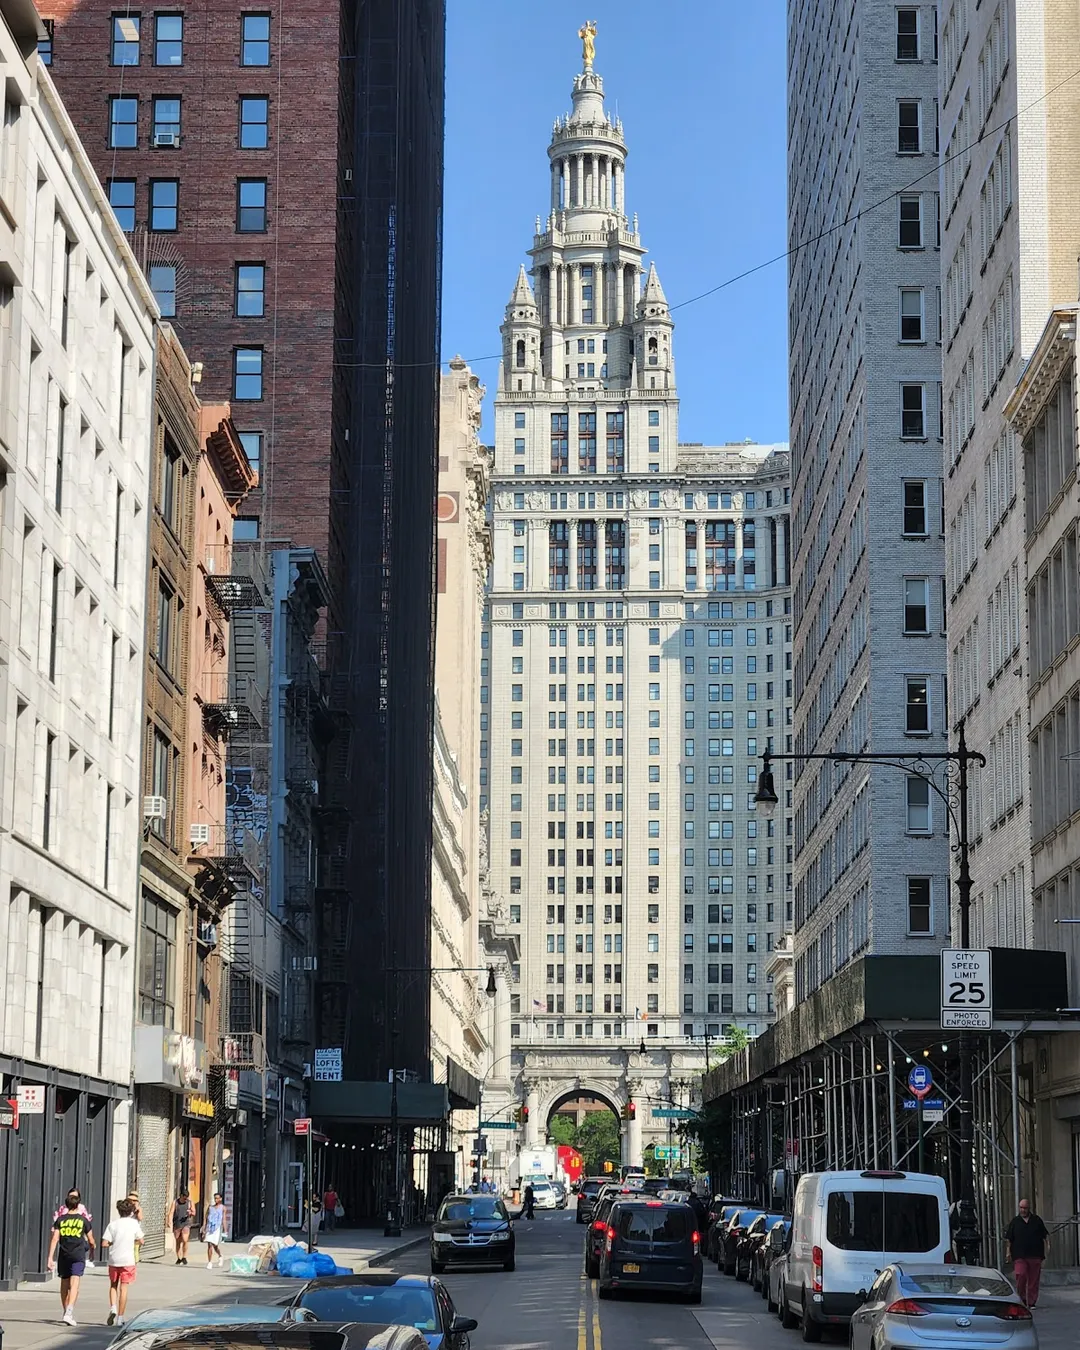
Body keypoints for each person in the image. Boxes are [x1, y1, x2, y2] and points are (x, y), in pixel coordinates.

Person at [47, 1190, 95, 1326]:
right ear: (78, 1204)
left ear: (66, 1205)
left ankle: (65, 1311)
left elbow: (55, 1238)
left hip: (64, 1255)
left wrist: (50, 1257)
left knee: (64, 1284)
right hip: (78, 1254)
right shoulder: (83, 1220)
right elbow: (91, 1240)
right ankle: (69, 1312)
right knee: (75, 1284)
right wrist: (92, 1251)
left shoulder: (60, 1220)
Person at [102, 1198, 144, 1327]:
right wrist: (132, 1242)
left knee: (113, 1285)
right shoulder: (134, 1224)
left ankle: (113, 1308)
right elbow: (141, 1240)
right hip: (128, 1260)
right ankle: (120, 1317)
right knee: (124, 1288)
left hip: (114, 1259)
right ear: (131, 1211)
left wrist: (114, 1242)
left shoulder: (113, 1224)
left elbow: (104, 1243)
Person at [1005, 1198, 1050, 1309]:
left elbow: (1045, 1234)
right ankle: (1021, 1298)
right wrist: (1008, 1253)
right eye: (1021, 1208)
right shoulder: (1015, 1222)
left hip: (1035, 1253)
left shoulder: (1036, 1220)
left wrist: (1048, 1245)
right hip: (1019, 1254)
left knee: (1033, 1280)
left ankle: (1031, 1301)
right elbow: (1009, 1239)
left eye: (1025, 1208)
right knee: (1021, 1274)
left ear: (1029, 1208)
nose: (1023, 1210)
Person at [202, 1191, 226, 1268]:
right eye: (215, 1198)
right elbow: (205, 1218)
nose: (216, 1200)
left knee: (215, 1245)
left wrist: (225, 1230)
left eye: (217, 1198)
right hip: (209, 1227)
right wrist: (204, 1227)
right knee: (209, 1244)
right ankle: (209, 1262)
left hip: (217, 1228)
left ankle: (220, 1255)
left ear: (221, 1199)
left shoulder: (223, 1208)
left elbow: (224, 1219)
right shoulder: (210, 1208)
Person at [170, 1191, 193, 1264]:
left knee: (185, 1240)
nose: (185, 1199)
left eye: (186, 1198)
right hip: (177, 1223)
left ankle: (184, 1257)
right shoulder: (175, 1202)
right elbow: (171, 1212)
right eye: (184, 1198)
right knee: (178, 1241)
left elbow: (194, 1212)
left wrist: (191, 1213)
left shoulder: (189, 1202)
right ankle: (179, 1258)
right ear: (181, 1196)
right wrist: (169, 1221)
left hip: (186, 1223)